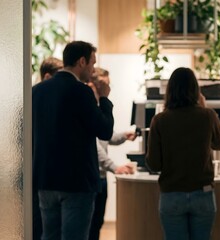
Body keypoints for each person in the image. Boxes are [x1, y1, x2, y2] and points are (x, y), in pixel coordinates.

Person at [32, 41, 114, 240]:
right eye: (92, 64)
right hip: (76, 182)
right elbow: (104, 131)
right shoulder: (81, 91)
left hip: (45, 179)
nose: (93, 70)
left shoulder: (37, 91)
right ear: (82, 61)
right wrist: (104, 99)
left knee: (49, 236)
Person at [146, 67, 220, 240]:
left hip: (171, 195)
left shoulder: (159, 120)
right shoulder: (208, 115)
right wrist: (205, 109)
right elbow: (219, 143)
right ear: (196, 90)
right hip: (203, 194)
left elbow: (154, 164)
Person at [88, 67, 137, 240]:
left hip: (100, 177)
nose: (108, 89)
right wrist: (115, 167)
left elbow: (106, 135)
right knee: (90, 225)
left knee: (96, 223)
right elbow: (94, 146)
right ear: (94, 85)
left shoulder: (98, 106)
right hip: (92, 177)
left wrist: (124, 135)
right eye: (105, 85)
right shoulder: (89, 106)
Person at [33, 57, 64, 240]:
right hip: (38, 175)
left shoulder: (36, 98)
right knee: (40, 226)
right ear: (46, 77)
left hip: (44, 174)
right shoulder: (34, 101)